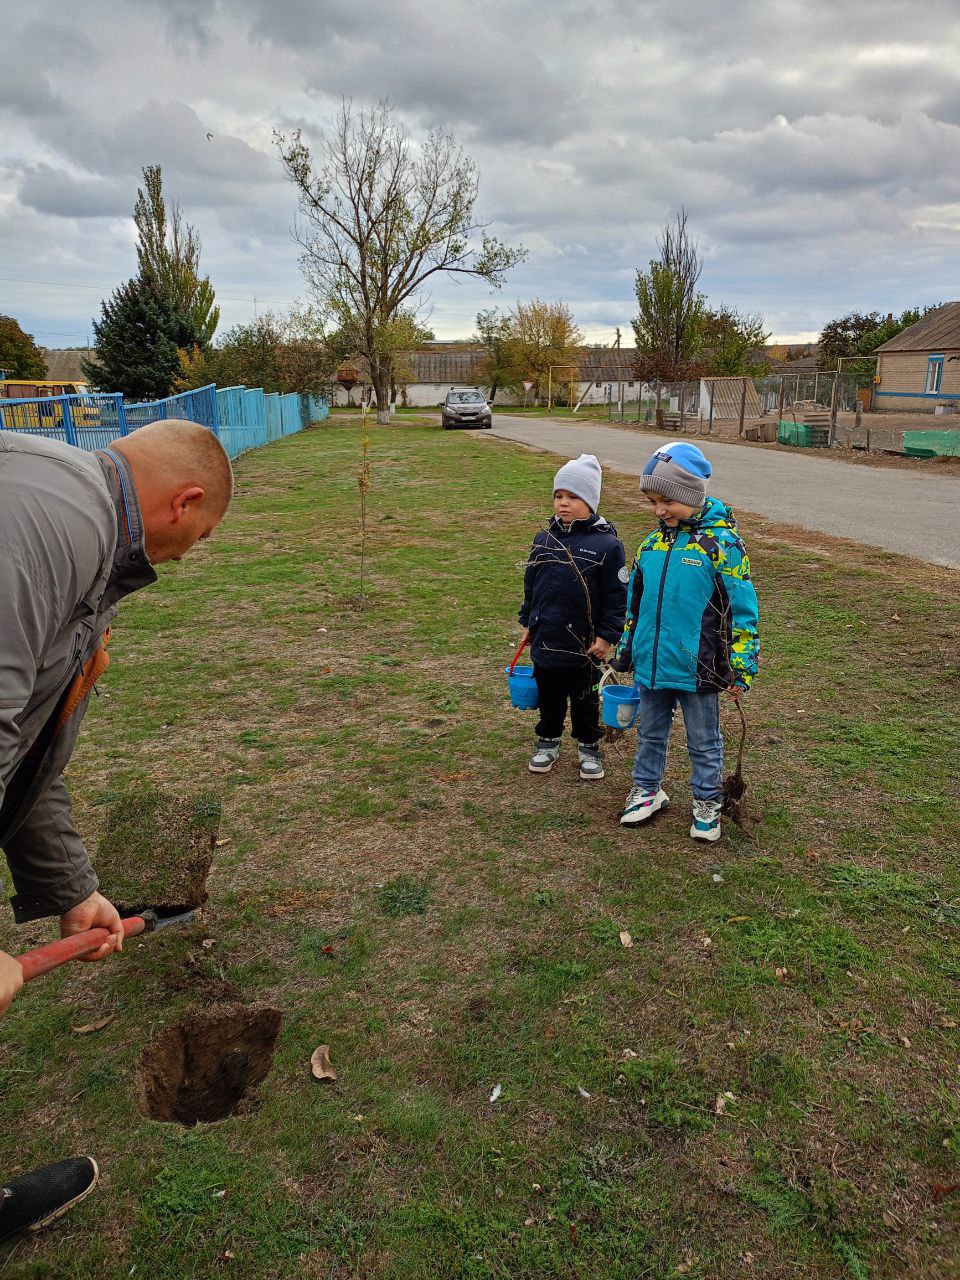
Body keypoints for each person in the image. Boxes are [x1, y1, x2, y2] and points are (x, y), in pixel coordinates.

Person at [0, 417, 233, 1239]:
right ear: (184, 502)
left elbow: (31, 747)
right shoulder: (53, 530)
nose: (186, 556)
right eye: (197, 539)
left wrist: (72, 888)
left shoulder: (80, 535)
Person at [612, 442, 759, 841]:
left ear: (692, 496)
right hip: (652, 663)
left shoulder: (722, 546)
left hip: (701, 666)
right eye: (653, 501)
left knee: (704, 740)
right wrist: (626, 649)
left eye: (669, 501)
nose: (660, 510)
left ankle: (708, 802)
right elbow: (635, 606)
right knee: (650, 732)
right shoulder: (650, 545)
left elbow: (743, 608)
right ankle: (646, 789)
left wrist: (741, 663)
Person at [518, 454, 627, 780]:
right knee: (549, 694)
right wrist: (528, 621)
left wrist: (607, 635)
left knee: (585, 697)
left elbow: (616, 596)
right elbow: (532, 583)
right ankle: (547, 740)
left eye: (573, 497)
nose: (564, 504)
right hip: (547, 635)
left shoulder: (607, 545)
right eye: (559, 496)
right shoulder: (544, 538)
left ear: (591, 501)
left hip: (585, 644)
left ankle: (589, 746)